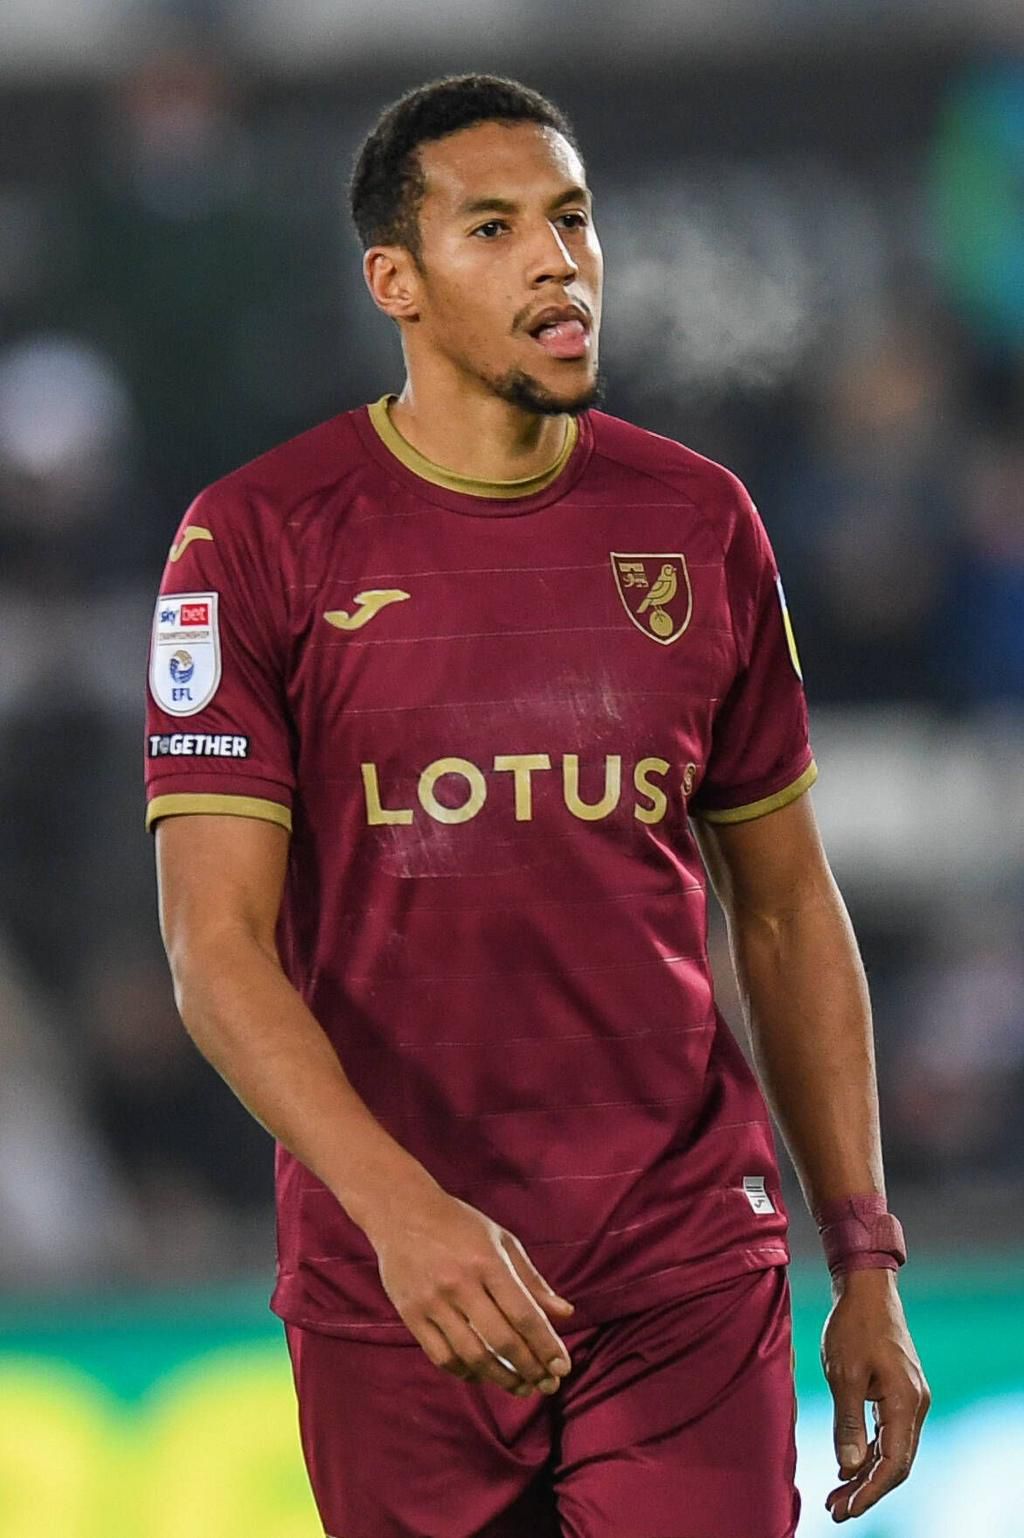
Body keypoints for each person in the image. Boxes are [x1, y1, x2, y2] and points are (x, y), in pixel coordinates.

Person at [146, 74, 929, 1538]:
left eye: (571, 219)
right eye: (494, 227)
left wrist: (865, 1253)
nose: (557, 259)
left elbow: (782, 900)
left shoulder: (698, 526)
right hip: (401, 1291)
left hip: (684, 1276)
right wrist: (402, 1213)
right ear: (399, 281)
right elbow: (215, 952)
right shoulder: (252, 542)